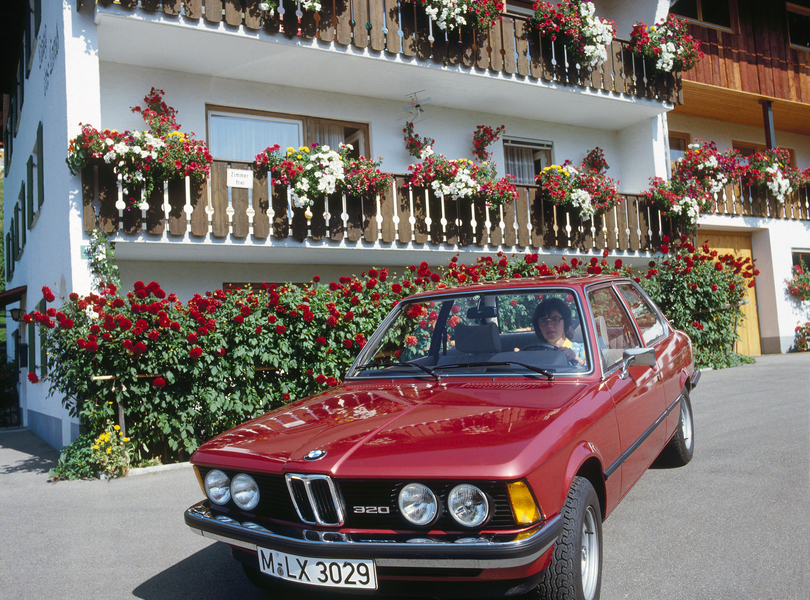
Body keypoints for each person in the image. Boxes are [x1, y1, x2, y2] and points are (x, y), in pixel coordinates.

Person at [531, 298, 585, 365]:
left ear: (565, 322)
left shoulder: (583, 350)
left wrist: (579, 360)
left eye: (555, 319)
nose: (549, 325)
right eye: (543, 321)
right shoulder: (535, 355)